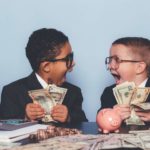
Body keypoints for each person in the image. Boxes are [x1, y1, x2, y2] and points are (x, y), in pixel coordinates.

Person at [0, 28, 88, 123]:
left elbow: (83, 124)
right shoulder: (12, 93)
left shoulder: (74, 93)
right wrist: (24, 117)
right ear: (46, 66)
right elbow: (5, 126)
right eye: (68, 58)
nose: (73, 63)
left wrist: (69, 118)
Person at [98, 37, 150, 122]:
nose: (111, 66)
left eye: (117, 60)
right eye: (110, 60)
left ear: (139, 67)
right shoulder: (109, 93)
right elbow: (100, 121)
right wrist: (110, 116)